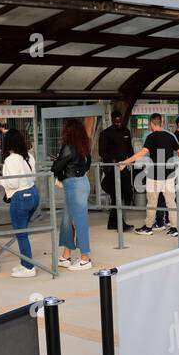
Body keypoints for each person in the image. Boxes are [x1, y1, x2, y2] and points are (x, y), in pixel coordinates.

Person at [121, 113, 179, 237]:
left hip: (155, 174)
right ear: (161, 123)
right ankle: (174, 228)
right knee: (171, 203)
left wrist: (126, 161)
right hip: (169, 174)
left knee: (152, 203)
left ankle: (148, 227)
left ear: (151, 124)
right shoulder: (170, 136)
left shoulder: (151, 137)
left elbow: (143, 153)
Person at [0, 128, 40, 278]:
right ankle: (24, 263)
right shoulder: (28, 156)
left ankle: (28, 267)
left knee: (21, 234)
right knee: (23, 232)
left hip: (20, 197)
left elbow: (13, 183)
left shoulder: (11, 159)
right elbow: (33, 178)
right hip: (33, 193)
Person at [52, 118, 93, 269]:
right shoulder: (84, 146)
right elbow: (88, 164)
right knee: (67, 220)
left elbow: (56, 167)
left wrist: (61, 175)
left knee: (78, 221)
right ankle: (66, 255)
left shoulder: (68, 146)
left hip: (73, 185)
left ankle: (85, 258)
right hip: (81, 182)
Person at [98, 110, 135, 231]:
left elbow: (130, 149)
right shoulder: (105, 133)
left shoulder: (126, 132)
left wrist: (132, 160)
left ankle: (113, 223)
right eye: (116, 121)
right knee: (116, 196)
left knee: (126, 193)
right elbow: (101, 152)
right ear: (113, 120)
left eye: (120, 121)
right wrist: (113, 161)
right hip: (112, 170)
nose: (118, 123)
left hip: (123, 168)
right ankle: (119, 223)